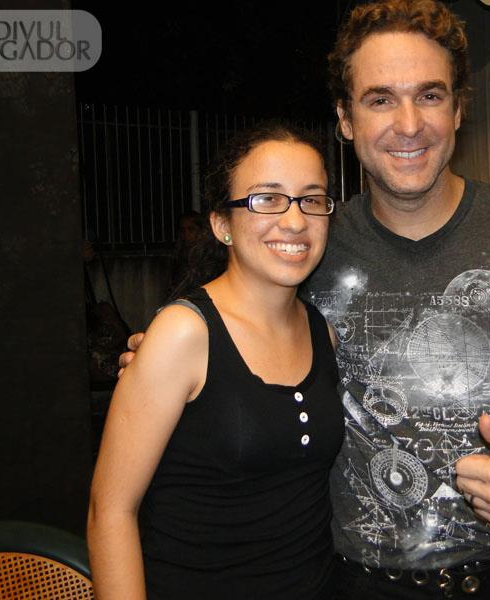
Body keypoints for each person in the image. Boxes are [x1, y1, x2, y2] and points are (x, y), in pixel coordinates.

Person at [120, 1, 490, 597]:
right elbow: (229, 331)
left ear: (459, 108)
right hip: (352, 580)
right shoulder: (307, 244)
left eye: (430, 95)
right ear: (345, 119)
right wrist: (161, 360)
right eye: (380, 99)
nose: (409, 124)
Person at [88, 122, 343, 600]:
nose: (294, 221)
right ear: (222, 224)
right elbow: (111, 511)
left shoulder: (321, 332)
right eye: (267, 198)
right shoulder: (184, 334)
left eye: (311, 199)